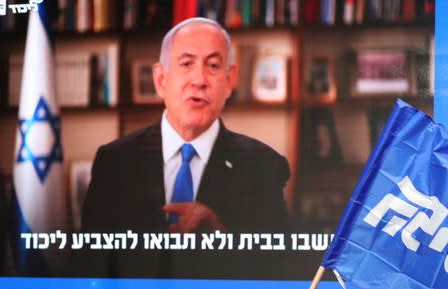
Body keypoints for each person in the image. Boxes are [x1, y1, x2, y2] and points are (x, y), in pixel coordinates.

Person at [80, 17, 290, 235]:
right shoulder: (114, 163)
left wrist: (222, 238)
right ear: (161, 80)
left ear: (229, 81)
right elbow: (90, 264)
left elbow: (278, 264)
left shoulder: (264, 166)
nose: (199, 80)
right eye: (186, 63)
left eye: (213, 65)